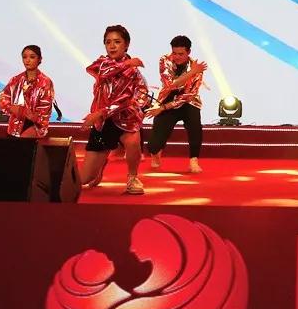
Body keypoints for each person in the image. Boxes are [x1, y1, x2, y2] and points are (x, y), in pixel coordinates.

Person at [80, 25, 150, 195]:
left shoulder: (134, 73)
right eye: (108, 42)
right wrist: (126, 64)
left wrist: (137, 104)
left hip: (126, 119)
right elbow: (101, 72)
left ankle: (132, 177)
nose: (112, 46)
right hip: (103, 123)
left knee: (133, 139)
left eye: (117, 42)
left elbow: (134, 97)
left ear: (126, 45)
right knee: (85, 179)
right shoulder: (101, 64)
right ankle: (99, 166)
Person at [145, 35, 207, 173]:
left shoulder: (196, 67)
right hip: (167, 98)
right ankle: (156, 152)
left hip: (188, 101)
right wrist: (192, 72)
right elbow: (170, 85)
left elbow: (189, 95)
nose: (177, 57)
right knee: (154, 144)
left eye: (181, 54)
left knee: (195, 125)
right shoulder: (165, 60)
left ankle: (194, 160)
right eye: (174, 53)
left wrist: (163, 108)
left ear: (188, 52)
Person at [0, 45, 55, 139]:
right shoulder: (16, 80)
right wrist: (12, 107)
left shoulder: (45, 82)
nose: (27, 60)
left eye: (32, 57)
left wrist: (31, 115)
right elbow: (3, 98)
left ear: (39, 59)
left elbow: (45, 110)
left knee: (23, 143)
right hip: (15, 124)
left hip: (35, 125)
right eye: (24, 57)